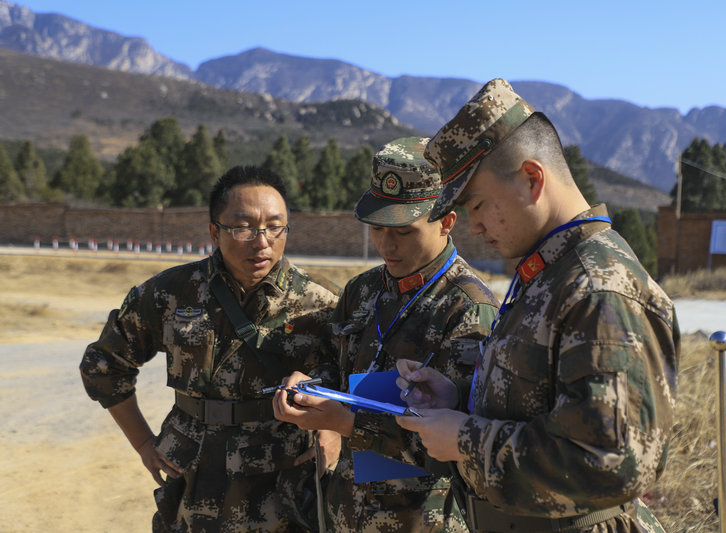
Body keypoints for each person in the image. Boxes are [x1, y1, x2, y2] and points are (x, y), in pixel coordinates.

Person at [395, 79, 680, 532]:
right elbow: (544, 407)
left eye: (479, 204)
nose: (475, 227)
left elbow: (613, 462)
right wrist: (461, 403)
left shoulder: (598, 288)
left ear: (532, 179)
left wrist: (465, 439)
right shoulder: (550, 273)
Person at [79, 165, 340, 532]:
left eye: (275, 226)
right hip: (195, 481)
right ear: (214, 232)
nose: (262, 240)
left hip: (285, 484)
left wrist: (335, 433)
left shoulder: (322, 303)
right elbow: (103, 366)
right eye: (243, 226)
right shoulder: (170, 292)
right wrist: (142, 443)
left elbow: (356, 381)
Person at [272, 137, 499, 532]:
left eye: (404, 232)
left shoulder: (468, 308)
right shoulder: (363, 290)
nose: (386, 245)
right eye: (377, 228)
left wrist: (347, 423)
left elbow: (458, 445)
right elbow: (334, 364)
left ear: (447, 221)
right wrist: (313, 389)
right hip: (345, 514)